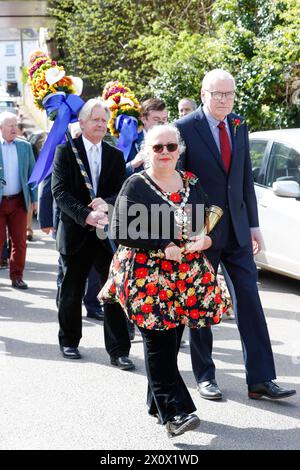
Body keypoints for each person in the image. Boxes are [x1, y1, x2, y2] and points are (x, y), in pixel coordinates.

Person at [176, 68, 296, 401]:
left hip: (239, 232)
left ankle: (260, 379)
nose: (225, 100)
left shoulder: (239, 126)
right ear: (203, 94)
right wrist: (187, 229)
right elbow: (180, 185)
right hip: (203, 232)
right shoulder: (185, 128)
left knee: (250, 303)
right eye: (218, 94)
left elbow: (244, 181)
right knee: (200, 304)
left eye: (229, 94)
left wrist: (254, 225)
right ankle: (205, 376)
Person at [100, 124, 223, 437]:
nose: (165, 153)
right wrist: (161, 244)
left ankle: (157, 404)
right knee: (156, 341)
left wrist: (205, 240)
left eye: (171, 147)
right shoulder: (135, 184)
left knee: (169, 343)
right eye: (158, 148)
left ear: (179, 149)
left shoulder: (190, 183)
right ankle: (176, 412)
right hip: (144, 276)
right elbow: (119, 230)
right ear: (146, 151)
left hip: (184, 276)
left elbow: (207, 219)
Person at [51, 98, 134, 369]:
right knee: (72, 290)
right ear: (83, 122)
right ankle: (70, 341)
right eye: (95, 119)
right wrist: (86, 215)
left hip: (105, 235)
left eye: (103, 120)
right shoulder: (66, 151)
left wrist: (107, 204)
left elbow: (123, 191)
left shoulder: (115, 155)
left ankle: (119, 350)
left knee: (111, 291)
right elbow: (60, 192)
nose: (100, 124)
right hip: (76, 231)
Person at [0, 111, 37, 289]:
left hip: (18, 202)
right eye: (10, 125)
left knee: (19, 241)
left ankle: (17, 276)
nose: (14, 128)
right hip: (1, 202)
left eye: (15, 124)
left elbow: (32, 174)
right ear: (1, 128)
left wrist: (34, 199)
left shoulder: (25, 147)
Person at [126, 98, 168, 175]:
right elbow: (115, 174)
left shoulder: (173, 142)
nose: (161, 123)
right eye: (156, 119)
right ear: (143, 119)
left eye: (164, 119)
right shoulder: (130, 141)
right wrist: (132, 165)